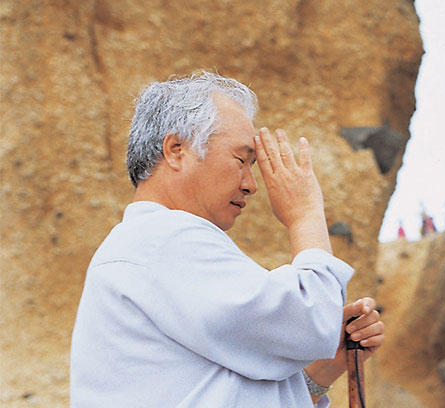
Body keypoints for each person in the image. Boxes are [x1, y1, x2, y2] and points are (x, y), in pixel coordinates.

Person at [70, 71, 384, 407]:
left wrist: (324, 367)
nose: (251, 184)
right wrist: (305, 214)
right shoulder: (166, 239)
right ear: (176, 150)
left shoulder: (147, 245)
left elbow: (223, 394)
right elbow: (310, 321)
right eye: (241, 160)